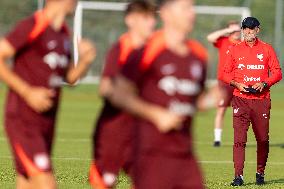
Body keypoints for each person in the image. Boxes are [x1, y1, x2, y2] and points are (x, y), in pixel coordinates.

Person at [109, 0, 213, 188]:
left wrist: (212, 99)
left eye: (192, 7)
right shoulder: (148, 49)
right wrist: (156, 114)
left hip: (185, 154)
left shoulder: (199, 54)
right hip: (151, 153)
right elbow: (118, 93)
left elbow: (193, 100)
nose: (192, 13)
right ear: (165, 13)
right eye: (185, 8)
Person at [0, 0, 96, 188]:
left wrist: (85, 61)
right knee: (46, 183)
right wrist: (27, 92)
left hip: (46, 121)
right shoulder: (34, 25)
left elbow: (69, 77)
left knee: (27, 182)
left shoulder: (63, 33)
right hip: (23, 120)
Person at [89, 1, 156, 188]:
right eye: (146, 18)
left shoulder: (154, 49)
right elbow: (105, 88)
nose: (151, 23)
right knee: (105, 184)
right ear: (130, 20)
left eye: (153, 18)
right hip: (113, 134)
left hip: (140, 133)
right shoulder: (121, 49)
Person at [221, 17, 282, 186]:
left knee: (262, 139)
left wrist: (264, 83)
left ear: (258, 30)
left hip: (261, 100)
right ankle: (238, 176)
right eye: (245, 29)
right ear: (242, 30)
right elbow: (224, 74)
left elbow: (277, 73)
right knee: (239, 140)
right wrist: (236, 83)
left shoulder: (267, 49)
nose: (248, 32)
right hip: (240, 100)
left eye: (251, 28)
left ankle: (260, 172)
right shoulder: (235, 49)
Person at [207, 21, 241, 147]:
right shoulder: (223, 41)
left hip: (238, 83)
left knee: (239, 113)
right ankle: (217, 140)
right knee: (221, 110)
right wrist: (226, 31)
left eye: (238, 30)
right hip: (223, 83)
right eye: (233, 30)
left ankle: (239, 140)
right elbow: (210, 38)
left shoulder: (242, 45)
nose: (236, 32)